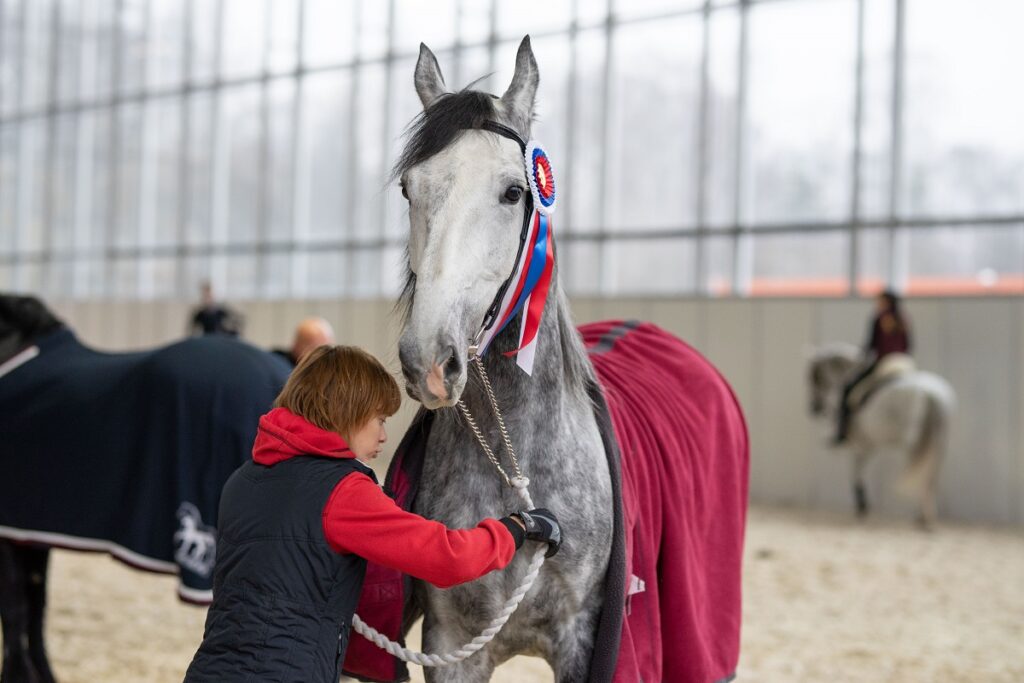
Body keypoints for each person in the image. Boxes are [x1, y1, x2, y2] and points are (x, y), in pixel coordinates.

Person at [184, 345, 561, 682]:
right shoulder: (343, 491)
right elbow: (447, 557)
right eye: (379, 419)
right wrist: (516, 528)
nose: (383, 436)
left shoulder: (243, 479)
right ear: (348, 412)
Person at [834, 289, 912, 444]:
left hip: (885, 363)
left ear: (886, 302)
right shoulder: (903, 320)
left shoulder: (879, 318)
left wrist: (861, 356)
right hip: (904, 363)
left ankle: (842, 431)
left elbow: (871, 346)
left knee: (850, 389)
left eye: (879, 301)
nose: (877, 304)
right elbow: (909, 345)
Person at [271, 317, 336, 366]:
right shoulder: (278, 363)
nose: (321, 355)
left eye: (327, 349)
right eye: (313, 347)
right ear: (296, 344)